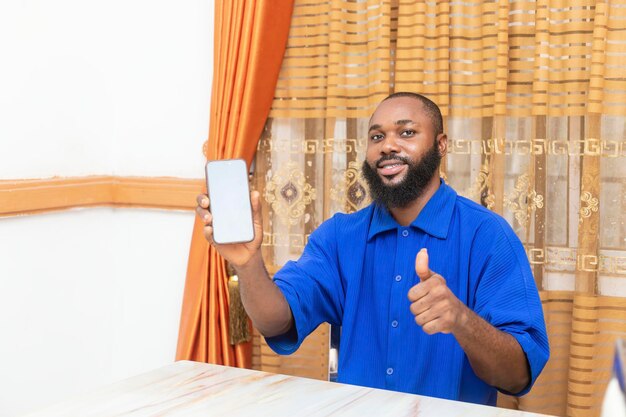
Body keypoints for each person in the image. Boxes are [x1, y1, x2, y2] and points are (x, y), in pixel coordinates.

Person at [196, 92, 549, 406]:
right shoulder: (339, 236)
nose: (388, 146)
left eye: (406, 132)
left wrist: (461, 319)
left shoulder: (488, 236)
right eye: (376, 136)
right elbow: (277, 320)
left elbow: (517, 375)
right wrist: (248, 262)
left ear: (441, 145)